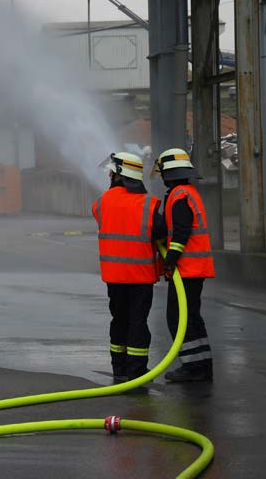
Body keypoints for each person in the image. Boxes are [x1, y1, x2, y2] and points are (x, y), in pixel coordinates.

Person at [92, 152, 161, 382]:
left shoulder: (102, 202)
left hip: (114, 277)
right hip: (140, 277)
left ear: (118, 175)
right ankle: (137, 371)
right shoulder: (149, 204)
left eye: (112, 171)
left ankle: (119, 369)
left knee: (118, 320)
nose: (109, 175)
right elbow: (161, 232)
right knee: (137, 322)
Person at [152, 148, 215, 383]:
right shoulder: (188, 192)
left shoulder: (179, 196)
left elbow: (180, 233)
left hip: (187, 268)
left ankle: (193, 368)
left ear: (168, 172)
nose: (159, 177)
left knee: (179, 318)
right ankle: (201, 364)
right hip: (193, 267)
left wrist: (170, 262)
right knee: (191, 316)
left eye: (161, 172)